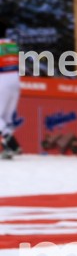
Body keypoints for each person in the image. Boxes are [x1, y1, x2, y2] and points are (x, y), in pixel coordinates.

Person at [0, 19, 21, 159]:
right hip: (15, 81)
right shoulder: (12, 43)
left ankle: (11, 144)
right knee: (7, 117)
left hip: (3, 80)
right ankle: (12, 147)